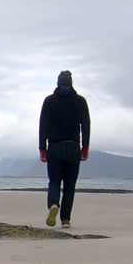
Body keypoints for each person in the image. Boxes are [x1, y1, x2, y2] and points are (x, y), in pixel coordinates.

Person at [38, 70, 91, 228]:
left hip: (54, 147)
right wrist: (85, 147)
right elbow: (86, 125)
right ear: (71, 83)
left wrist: (42, 148)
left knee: (54, 181)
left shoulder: (49, 101)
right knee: (70, 185)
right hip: (73, 147)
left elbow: (43, 126)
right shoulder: (80, 101)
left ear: (58, 83)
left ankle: (54, 204)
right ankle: (66, 219)